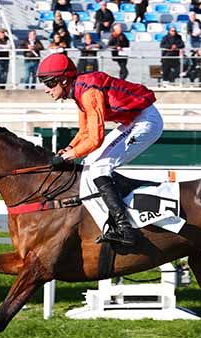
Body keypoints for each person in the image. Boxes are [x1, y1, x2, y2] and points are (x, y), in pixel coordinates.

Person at [37, 53, 162, 246]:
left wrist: (70, 156)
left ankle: (124, 228)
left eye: (49, 83)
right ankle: (114, 215)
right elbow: (84, 131)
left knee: (99, 168)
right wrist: (69, 149)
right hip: (132, 121)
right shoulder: (78, 91)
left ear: (63, 80)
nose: (46, 90)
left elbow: (95, 138)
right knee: (90, 163)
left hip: (145, 121)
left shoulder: (88, 93)